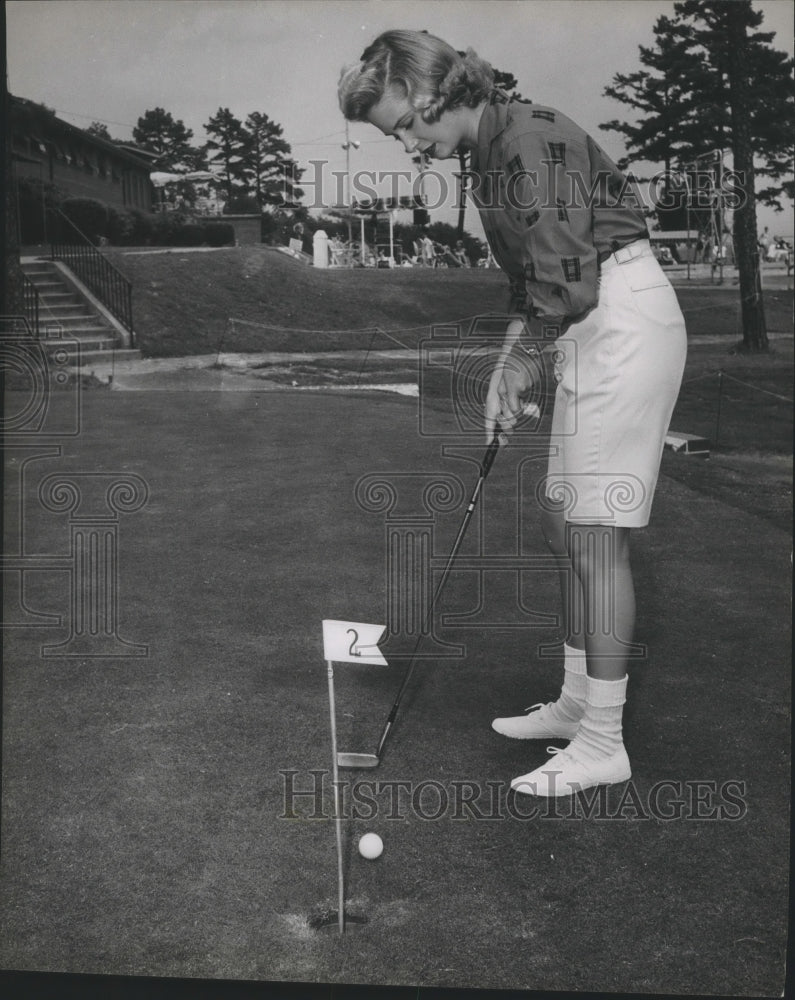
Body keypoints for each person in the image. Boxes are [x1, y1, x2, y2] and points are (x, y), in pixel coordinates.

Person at [339, 30, 687, 798]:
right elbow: (532, 285)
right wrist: (507, 366)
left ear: (429, 93)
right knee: (565, 521)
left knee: (596, 536)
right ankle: (576, 703)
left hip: (620, 322)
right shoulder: (492, 148)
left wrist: (524, 361)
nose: (406, 142)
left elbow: (567, 282)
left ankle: (603, 742)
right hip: (589, 325)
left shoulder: (524, 139)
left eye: (403, 123)